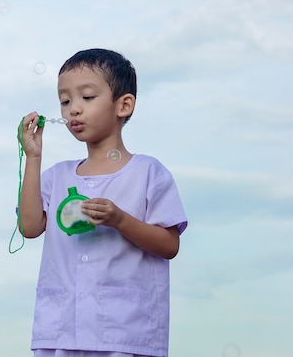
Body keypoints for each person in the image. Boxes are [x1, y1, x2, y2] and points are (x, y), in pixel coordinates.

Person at [17, 48, 188, 357]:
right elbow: (29, 227)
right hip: (61, 333)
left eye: (87, 97)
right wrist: (33, 158)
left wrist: (120, 220)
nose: (73, 111)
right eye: (65, 101)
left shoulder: (149, 173)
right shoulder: (57, 176)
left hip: (126, 334)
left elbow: (169, 245)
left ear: (123, 105)